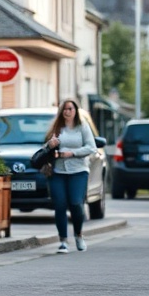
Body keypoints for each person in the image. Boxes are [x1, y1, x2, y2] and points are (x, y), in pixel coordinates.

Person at [44, 99, 96, 254]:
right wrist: (50, 145)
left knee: (76, 204)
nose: (67, 111)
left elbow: (91, 147)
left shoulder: (82, 127)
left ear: (75, 111)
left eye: (70, 109)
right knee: (60, 204)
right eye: (65, 109)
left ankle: (78, 234)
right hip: (58, 171)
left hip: (78, 171)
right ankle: (63, 241)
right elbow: (44, 149)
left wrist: (72, 153)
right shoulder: (56, 128)